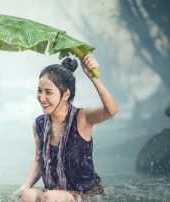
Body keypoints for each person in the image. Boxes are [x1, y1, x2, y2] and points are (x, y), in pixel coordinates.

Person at [15, 54, 118, 202]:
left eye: (48, 92)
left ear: (65, 94)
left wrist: (93, 78)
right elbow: (39, 160)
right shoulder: (39, 124)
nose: (41, 98)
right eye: (39, 91)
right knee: (28, 195)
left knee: (50, 197)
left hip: (86, 194)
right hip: (54, 193)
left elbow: (111, 110)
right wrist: (24, 186)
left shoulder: (82, 118)